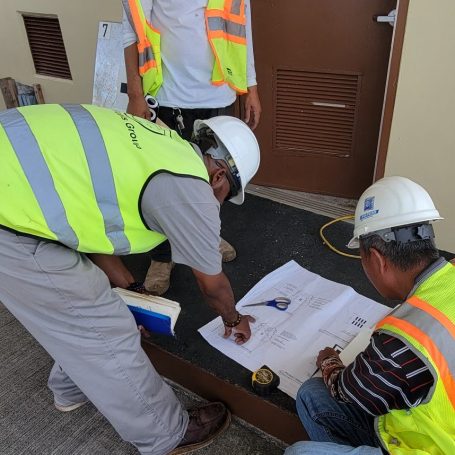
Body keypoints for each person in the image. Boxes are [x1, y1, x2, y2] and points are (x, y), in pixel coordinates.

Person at [0, 103, 259, 454]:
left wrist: (132, 291)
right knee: (103, 324)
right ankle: (165, 435)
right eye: (226, 196)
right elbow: (213, 286)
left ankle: (72, 388)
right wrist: (233, 317)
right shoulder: (193, 190)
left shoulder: (163, 144)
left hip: (16, 183)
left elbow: (81, 225)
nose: (220, 203)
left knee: (75, 313)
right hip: (9, 216)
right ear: (218, 178)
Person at [285, 176, 455, 455]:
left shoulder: (403, 341)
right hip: (436, 427)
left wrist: (329, 361)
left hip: (433, 448)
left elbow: (345, 390)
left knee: (297, 453)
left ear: (376, 259)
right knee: (310, 395)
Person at [121, 0, 262, 295]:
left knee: (211, 180)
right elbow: (132, 33)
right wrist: (136, 95)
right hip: (167, 95)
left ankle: (207, 240)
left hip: (217, 94)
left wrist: (251, 88)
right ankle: (162, 256)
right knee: (162, 180)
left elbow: (241, 28)